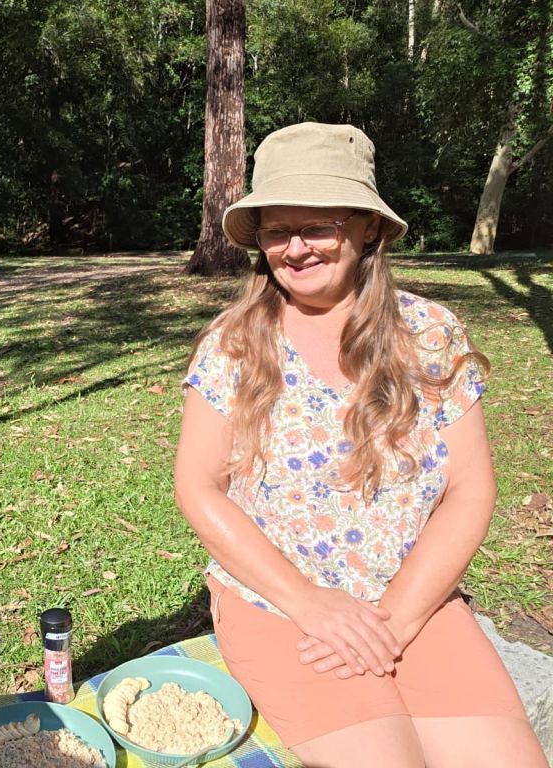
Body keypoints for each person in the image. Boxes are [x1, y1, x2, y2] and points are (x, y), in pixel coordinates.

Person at [174, 123, 547, 767]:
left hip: (415, 597)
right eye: (275, 231)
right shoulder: (233, 344)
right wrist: (308, 603)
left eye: (317, 226)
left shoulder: (431, 333)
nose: (295, 249)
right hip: (279, 604)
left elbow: (470, 488)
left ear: (368, 227)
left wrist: (397, 618)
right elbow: (198, 486)